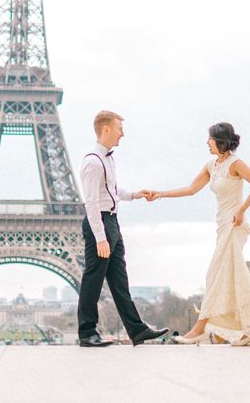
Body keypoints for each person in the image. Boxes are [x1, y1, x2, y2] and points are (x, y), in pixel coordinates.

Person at [144, 122, 250, 347]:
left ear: (220, 140)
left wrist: (242, 210)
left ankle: (200, 328)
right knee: (233, 279)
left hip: (234, 225)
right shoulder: (210, 165)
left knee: (214, 275)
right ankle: (247, 329)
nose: (207, 142)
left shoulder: (236, 164)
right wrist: (160, 194)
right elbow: (191, 189)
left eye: (210, 139)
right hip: (222, 225)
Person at [77, 110, 169, 347]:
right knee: (93, 279)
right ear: (106, 129)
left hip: (112, 221)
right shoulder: (92, 162)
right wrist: (100, 238)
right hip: (101, 224)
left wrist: (137, 195)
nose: (123, 134)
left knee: (119, 280)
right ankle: (87, 332)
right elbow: (91, 202)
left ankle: (136, 330)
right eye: (120, 128)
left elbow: (111, 192)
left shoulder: (108, 159)